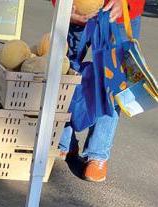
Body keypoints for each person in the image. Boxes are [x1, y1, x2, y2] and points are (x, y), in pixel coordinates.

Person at [54, 0, 145, 182]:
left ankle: (98, 154)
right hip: (75, 9)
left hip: (118, 12)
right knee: (65, 71)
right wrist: (61, 4)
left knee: (113, 79)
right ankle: (63, 141)